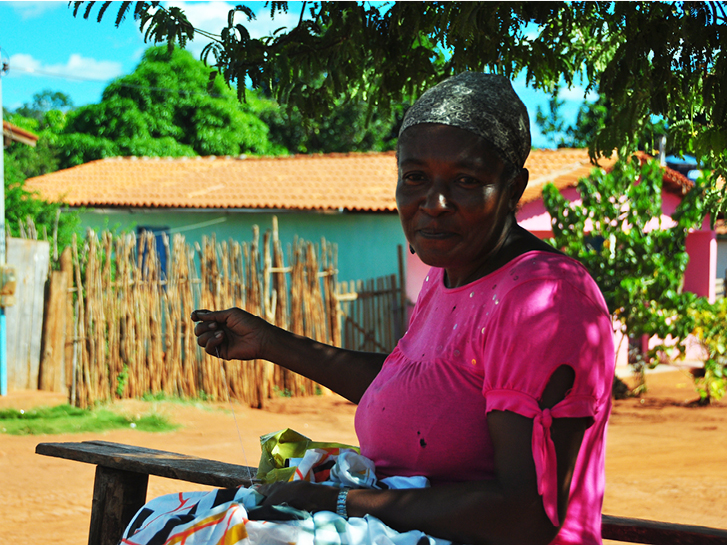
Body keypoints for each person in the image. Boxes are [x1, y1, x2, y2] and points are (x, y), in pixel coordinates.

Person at [134, 72, 615, 545]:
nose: (434, 203)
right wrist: (270, 342)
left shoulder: (544, 300)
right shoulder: (446, 277)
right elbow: (414, 389)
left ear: (513, 188)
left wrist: (339, 502)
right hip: (406, 527)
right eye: (415, 178)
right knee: (165, 520)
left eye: (466, 180)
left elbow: (526, 516)